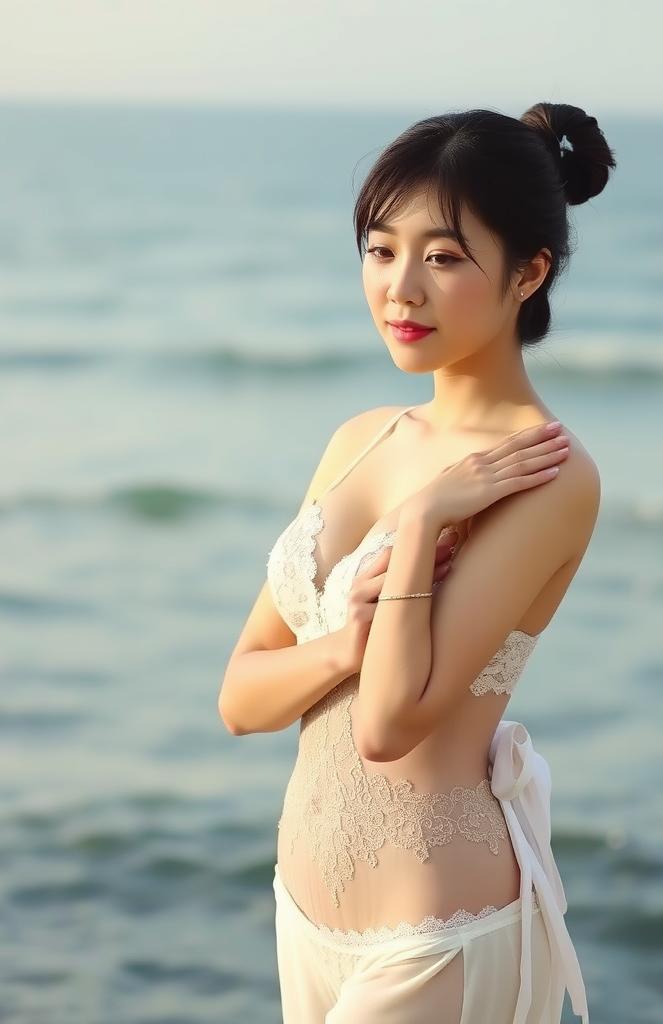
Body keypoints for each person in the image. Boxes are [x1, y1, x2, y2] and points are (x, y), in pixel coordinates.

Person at [219, 100, 616, 1023]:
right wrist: (340, 646)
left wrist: (429, 508)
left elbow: (389, 722)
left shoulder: (548, 474)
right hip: (304, 920)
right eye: (380, 250)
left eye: (442, 257)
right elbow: (241, 698)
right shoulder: (360, 437)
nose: (401, 289)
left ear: (529, 272)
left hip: (434, 938)